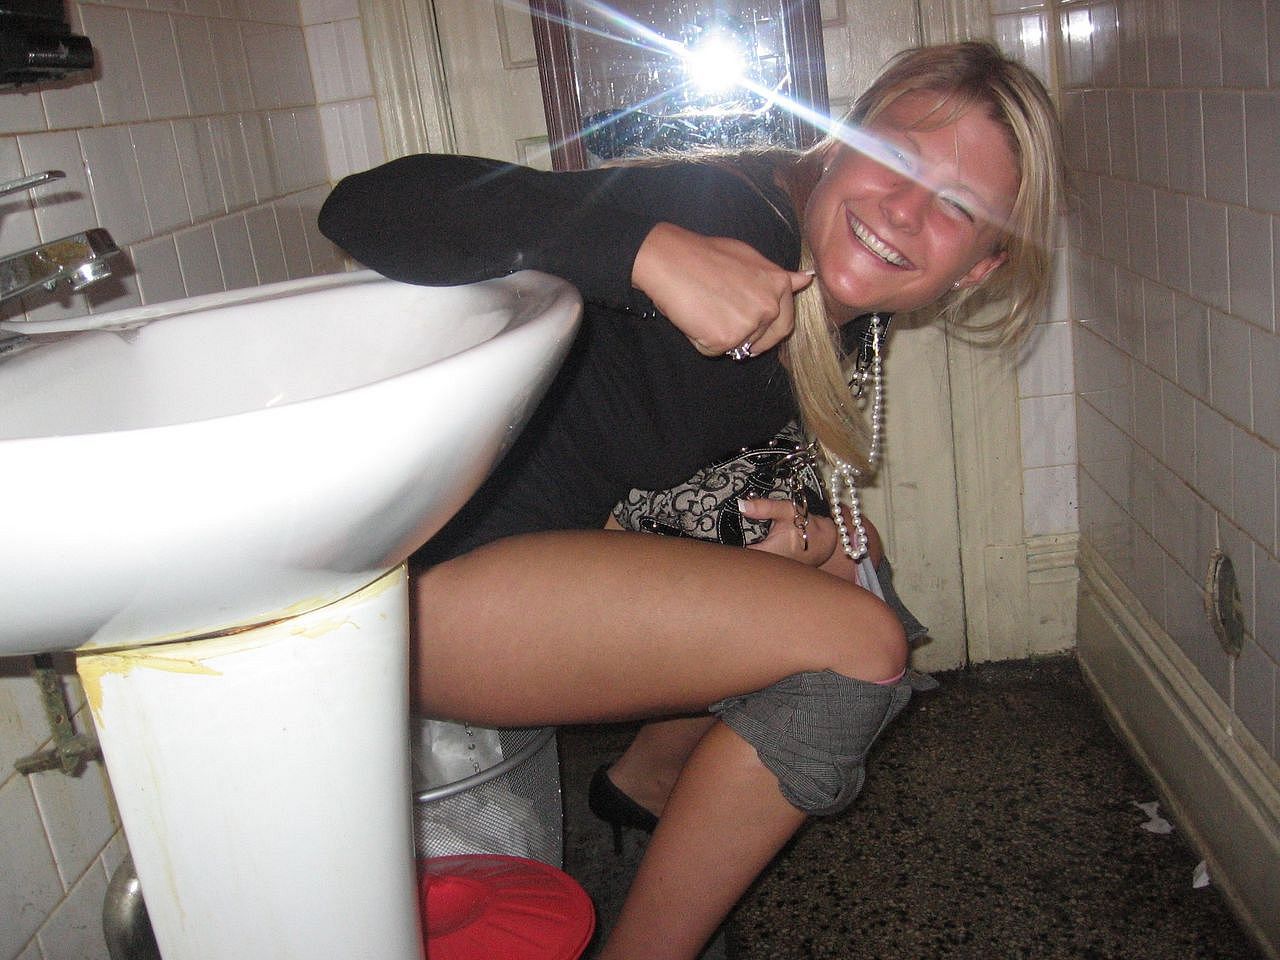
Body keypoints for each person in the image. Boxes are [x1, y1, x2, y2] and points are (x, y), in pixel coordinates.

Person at [318, 40, 1064, 960]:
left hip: (535, 564)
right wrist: (649, 251)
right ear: (838, 142)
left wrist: (803, 537)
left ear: (980, 267)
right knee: (859, 651)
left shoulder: (849, 305)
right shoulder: (721, 211)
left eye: (958, 207)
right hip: (419, 594)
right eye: (896, 157)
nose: (905, 211)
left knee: (855, 565)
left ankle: (646, 784)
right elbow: (368, 204)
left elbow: (686, 443)